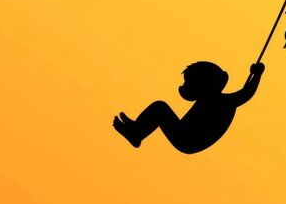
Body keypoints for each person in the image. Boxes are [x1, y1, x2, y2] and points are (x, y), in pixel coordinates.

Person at [113, 61, 265, 154]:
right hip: (186, 136)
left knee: (160, 108)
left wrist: (257, 74)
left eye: (189, 83)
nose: (186, 86)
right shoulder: (217, 100)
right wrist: (255, 74)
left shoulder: (223, 102)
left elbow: (246, 93)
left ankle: (136, 132)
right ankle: (137, 131)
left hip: (188, 138)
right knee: (160, 109)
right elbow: (245, 92)